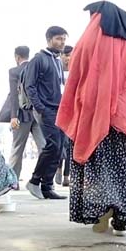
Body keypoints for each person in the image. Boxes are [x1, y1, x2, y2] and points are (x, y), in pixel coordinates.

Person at [57, 1, 126, 236]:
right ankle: (122, 218)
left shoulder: (89, 41)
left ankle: (103, 212)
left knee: (100, 169)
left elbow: (77, 81)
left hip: (99, 118)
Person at [24, 26, 68, 200]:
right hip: (46, 110)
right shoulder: (38, 59)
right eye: (58, 38)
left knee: (60, 148)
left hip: (59, 110)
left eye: (64, 39)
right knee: (53, 145)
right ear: (49, 39)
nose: (62, 42)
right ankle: (34, 181)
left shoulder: (57, 60)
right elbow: (30, 85)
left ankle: (47, 186)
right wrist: (40, 107)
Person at [3, 46, 45, 182]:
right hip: (38, 113)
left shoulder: (14, 71)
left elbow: (14, 96)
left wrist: (13, 116)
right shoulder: (36, 68)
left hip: (21, 114)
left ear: (17, 57)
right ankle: (42, 179)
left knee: (17, 148)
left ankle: (13, 181)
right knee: (43, 147)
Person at [55, 45, 74, 187]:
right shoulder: (57, 71)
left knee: (69, 145)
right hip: (57, 111)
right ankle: (58, 168)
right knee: (59, 143)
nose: (68, 58)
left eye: (70, 55)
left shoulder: (75, 71)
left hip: (72, 113)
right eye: (66, 55)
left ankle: (67, 175)